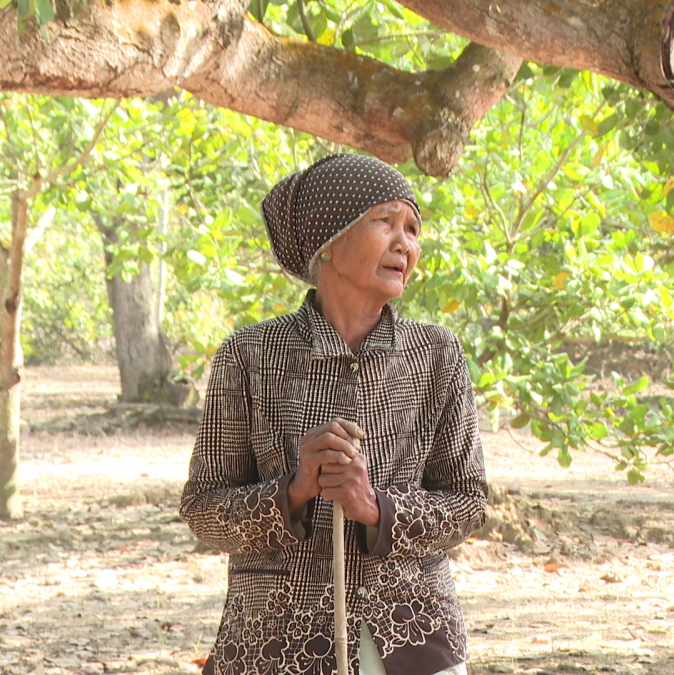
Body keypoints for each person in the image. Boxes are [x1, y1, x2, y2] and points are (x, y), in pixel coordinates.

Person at [181, 154, 487, 675]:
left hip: (413, 640)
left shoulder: (437, 354)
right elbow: (203, 511)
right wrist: (293, 491)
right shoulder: (249, 355)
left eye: (412, 228)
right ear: (328, 239)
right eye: (385, 221)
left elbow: (469, 504)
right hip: (270, 647)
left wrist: (378, 509)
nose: (405, 243)